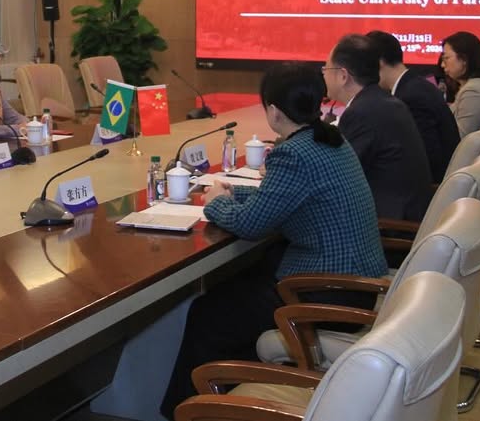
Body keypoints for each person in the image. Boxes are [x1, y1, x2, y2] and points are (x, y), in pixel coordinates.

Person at [159, 63, 387, 419]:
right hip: (353, 278)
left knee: (209, 312)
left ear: (273, 111)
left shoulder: (294, 153)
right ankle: (229, 395)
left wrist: (217, 200)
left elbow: (251, 224)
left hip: (328, 289)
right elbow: (278, 200)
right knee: (240, 285)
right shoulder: (328, 138)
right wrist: (235, 194)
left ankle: (188, 412)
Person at [323, 33, 433, 221]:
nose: (323, 73)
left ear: (343, 75)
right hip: (406, 211)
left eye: (326, 68)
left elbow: (335, 178)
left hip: (388, 226)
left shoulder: (362, 113)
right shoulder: (383, 101)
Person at [367, 30, 460, 183]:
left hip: (431, 190)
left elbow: (426, 158)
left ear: (379, 62)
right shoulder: (416, 85)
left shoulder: (410, 97)